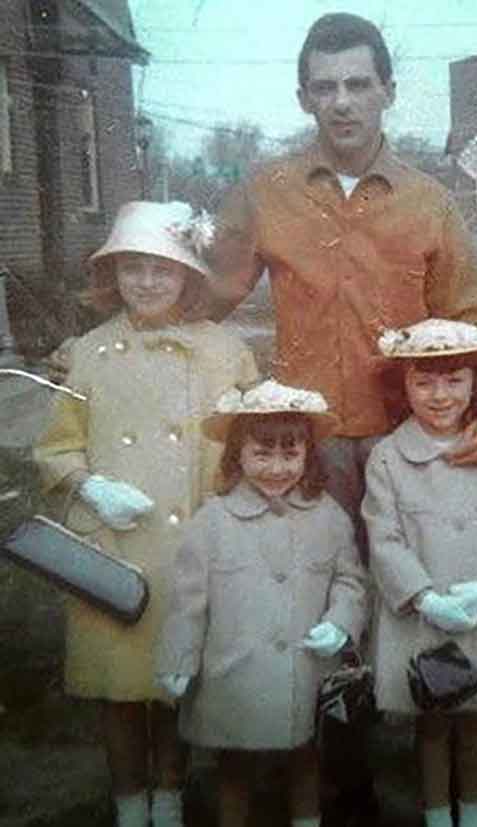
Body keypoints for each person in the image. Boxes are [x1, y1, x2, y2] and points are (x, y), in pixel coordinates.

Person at [188, 12, 477, 559]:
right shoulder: (268, 192)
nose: (342, 102)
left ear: (388, 90)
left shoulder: (429, 201)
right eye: (324, 86)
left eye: (358, 84)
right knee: (314, 596)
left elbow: (472, 320)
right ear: (303, 97)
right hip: (308, 442)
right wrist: (100, 340)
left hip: (410, 434)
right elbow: (201, 297)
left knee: (412, 586)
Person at [33, 200, 258, 827]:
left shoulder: (225, 352)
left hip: (191, 537)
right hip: (112, 543)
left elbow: (245, 445)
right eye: (133, 268)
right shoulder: (87, 354)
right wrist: (89, 487)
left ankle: (170, 795)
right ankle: (130, 804)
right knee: (119, 687)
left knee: (175, 679)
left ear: (189, 276)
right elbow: (57, 443)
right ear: (113, 277)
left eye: (163, 269)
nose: (148, 283)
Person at [155, 378, 367, 827]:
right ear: (237, 455)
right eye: (262, 453)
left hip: (303, 672)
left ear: (308, 454)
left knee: (306, 761)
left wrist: (340, 622)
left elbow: (350, 581)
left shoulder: (328, 515)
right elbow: (188, 602)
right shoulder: (211, 521)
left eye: (290, 453)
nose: (276, 467)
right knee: (234, 769)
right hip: (234, 671)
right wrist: (179, 659)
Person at [361, 319, 477, 827]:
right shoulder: (389, 460)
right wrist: (424, 598)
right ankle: (439, 816)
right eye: (424, 382)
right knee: (433, 720)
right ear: (405, 387)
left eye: (454, 380)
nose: (440, 395)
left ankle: (475, 813)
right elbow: (385, 537)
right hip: (424, 616)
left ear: (475, 385)